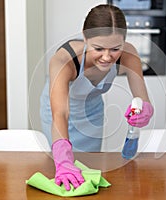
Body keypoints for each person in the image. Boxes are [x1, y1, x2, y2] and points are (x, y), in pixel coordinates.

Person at [40, 4, 154, 191]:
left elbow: (142, 98)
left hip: (92, 112)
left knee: (89, 167)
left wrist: (145, 110)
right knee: (60, 171)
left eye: (115, 49)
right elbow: (60, 113)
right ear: (85, 38)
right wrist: (63, 160)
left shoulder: (128, 55)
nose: (107, 57)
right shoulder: (64, 61)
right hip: (58, 112)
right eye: (98, 48)